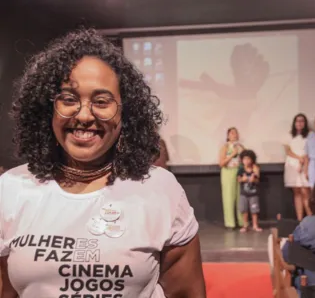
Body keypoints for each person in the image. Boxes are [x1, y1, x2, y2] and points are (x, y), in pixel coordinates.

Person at [0, 29, 206, 298]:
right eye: (69, 99)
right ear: (47, 109)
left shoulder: (160, 189)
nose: (84, 115)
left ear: (125, 112)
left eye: (101, 101)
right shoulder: (11, 189)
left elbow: (186, 293)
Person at [283, 114, 311, 221]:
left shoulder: (310, 135)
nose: (299, 123)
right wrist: (298, 158)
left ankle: (310, 219)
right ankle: (299, 220)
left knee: (306, 192)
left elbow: (310, 150)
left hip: (306, 164)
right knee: (297, 192)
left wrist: (303, 160)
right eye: (297, 121)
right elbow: (288, 151)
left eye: (302, 121)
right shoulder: (289, 135)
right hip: (292, 164)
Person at [219, 127, 244, 229]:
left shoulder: (240, 147)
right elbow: (221, 163)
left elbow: (247, 159)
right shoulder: (225, 147)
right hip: (228, 172)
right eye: (232, 133)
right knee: (228, 197)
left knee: (240, 197)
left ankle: (242, 222)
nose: (234, 135)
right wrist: (232, 154)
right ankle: (230, 223)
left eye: (236, 133)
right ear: (228, 135)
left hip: (238, 172)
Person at [237, 149, 262, 233]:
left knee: (254, 210)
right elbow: (238, 179)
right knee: (244, 210)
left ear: (252, 159)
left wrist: (254, 179)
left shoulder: (255, 168)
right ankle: (245, 225)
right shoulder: (241, 169)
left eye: (248, 159)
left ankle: (255, 225)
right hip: (244, 194)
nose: (246, 161)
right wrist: (242, 179)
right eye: (244, 159)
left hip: (253, 194)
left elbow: (258, 180)